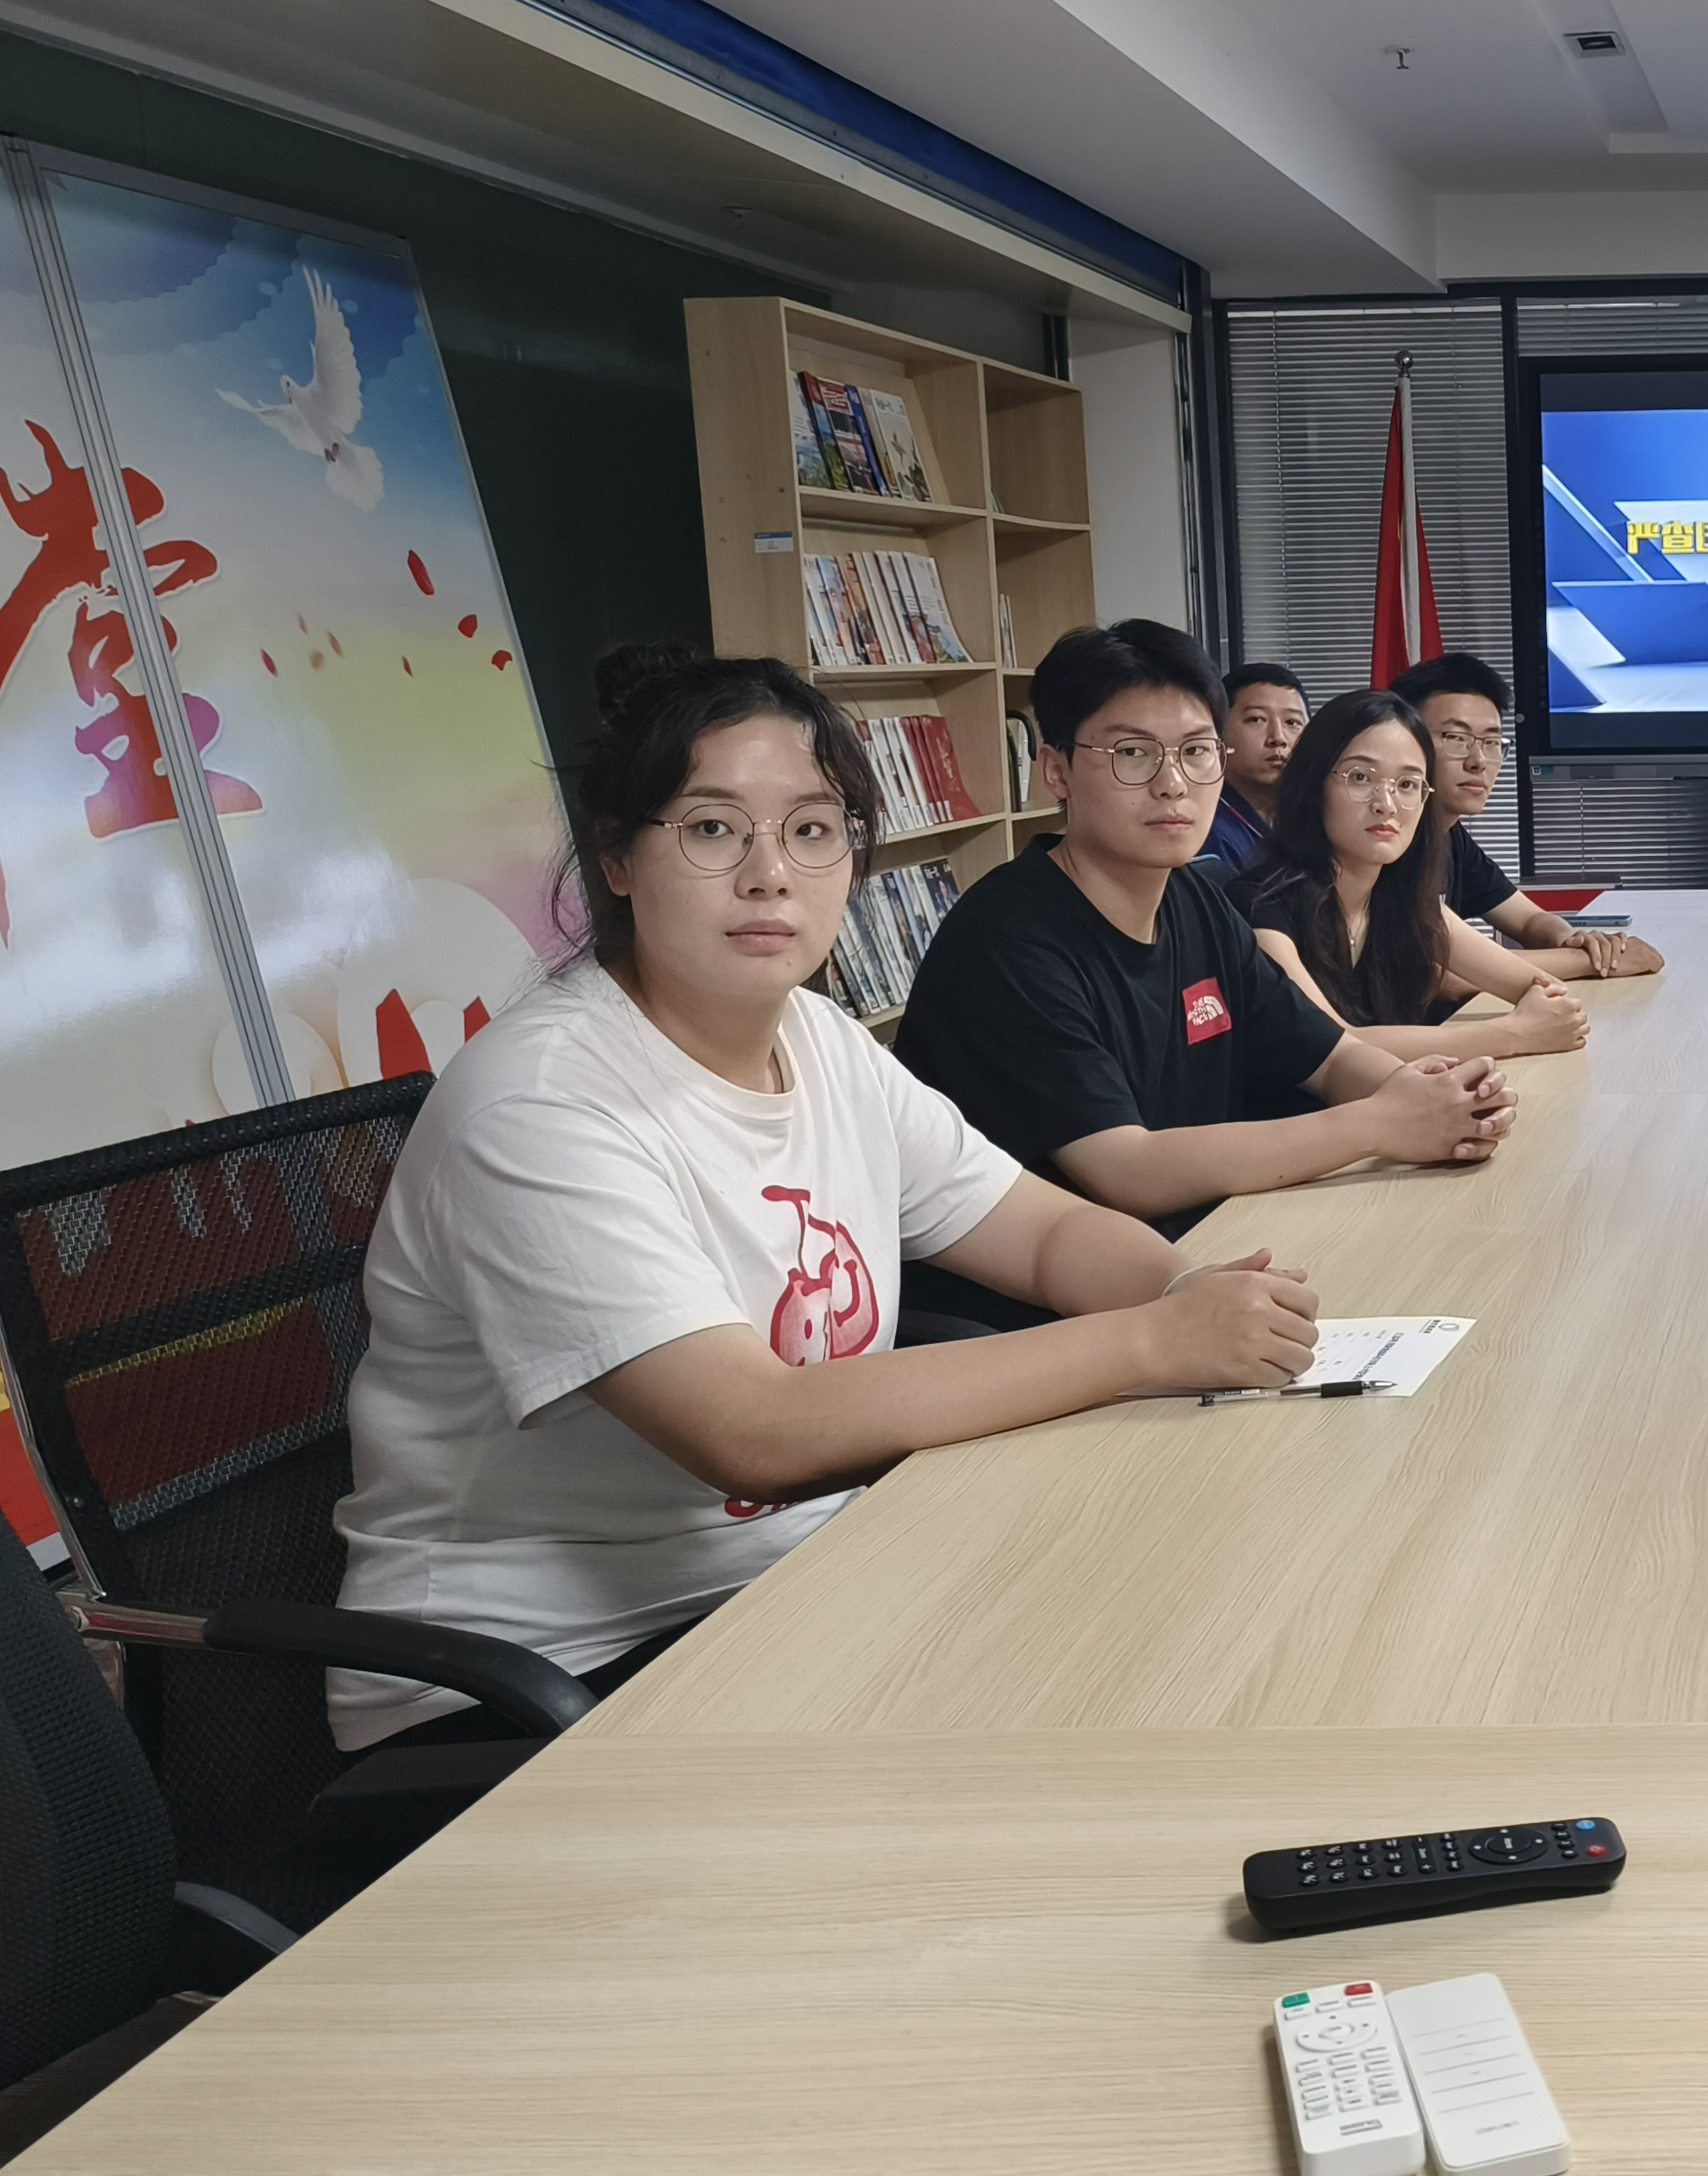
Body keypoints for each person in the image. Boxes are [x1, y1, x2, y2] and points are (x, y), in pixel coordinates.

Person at [329, 645, 1325, 1752]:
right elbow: (751, 1431)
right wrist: (1151, 1343)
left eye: (812, 830)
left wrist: (1195, 1293)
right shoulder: (542, 1102)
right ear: (616, 854)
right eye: (713, 829)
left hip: (793, 1586)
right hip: (536, 1685)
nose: (770, 874)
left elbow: (1043, 1232)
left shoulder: (821, 1040)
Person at [896, 623, 1520, 1329]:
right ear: (1057, 770)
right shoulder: (1008, 940)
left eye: (1196, 752)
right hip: (1041, 1320)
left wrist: (1434, 1098)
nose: (1172, 784)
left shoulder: (1195, 899)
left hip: (1202, 1258)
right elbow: (1126, 1169)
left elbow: (1328, 1055)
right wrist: (1383, 1122)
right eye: (1133, 754)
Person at [1245, 688, 1591, 1059]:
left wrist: (1578, 974)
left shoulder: (1404, 896)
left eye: (1408, 784)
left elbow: (1536, 987)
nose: (1387, 804)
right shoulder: (1259, 904)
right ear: (1313, 786)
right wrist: (1513, 1035)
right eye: (1360, 777)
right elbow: (1331, 1044)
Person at [1391, 650, 1661, 980]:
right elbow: (1441, 976)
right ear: (1405, 741)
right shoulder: (1388, 842)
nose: (1479, 761)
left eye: (1492, 742)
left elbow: (1530, 920)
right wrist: (1591, 962)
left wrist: (1575, 941)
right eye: (1457, 739)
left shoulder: (1448, 835)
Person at [1210, 660, 1308, 873]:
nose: (1278, 738)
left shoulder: (1314, 820)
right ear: (1218, 732)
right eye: (1257, 719)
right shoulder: (1209, 831)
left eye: (1292, 723)